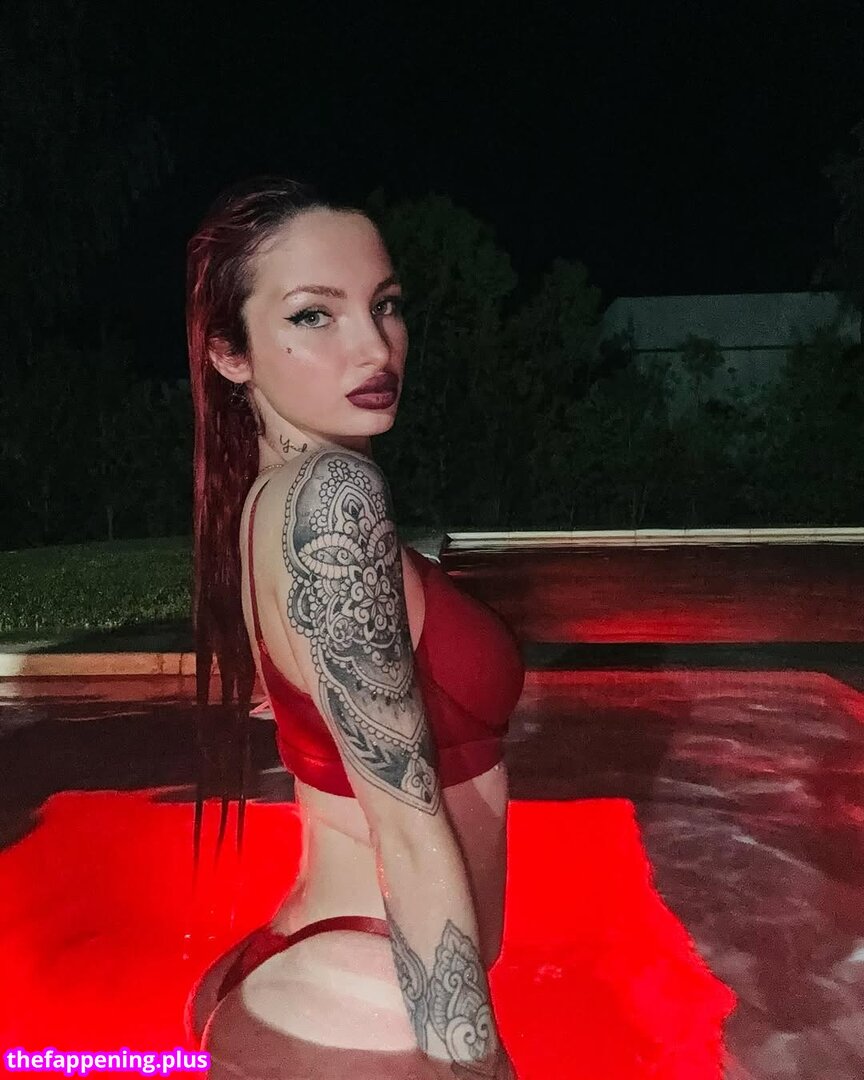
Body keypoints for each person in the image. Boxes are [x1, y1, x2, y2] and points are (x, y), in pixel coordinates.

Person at [182, 177, 525, 1078]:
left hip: (331, 959)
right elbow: (406, 826)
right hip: (378, 980)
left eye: (386, 305)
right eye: (314, 315)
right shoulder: (332, 499)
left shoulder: (264, 501)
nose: (374, 345)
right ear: (230, 354)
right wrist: (473, 1063)